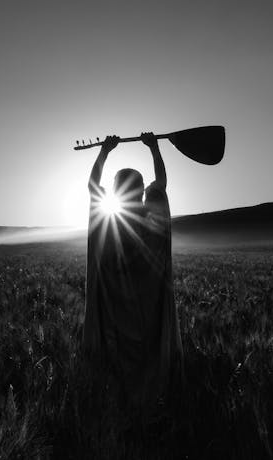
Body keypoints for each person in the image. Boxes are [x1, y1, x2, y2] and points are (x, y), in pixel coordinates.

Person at [82, 132, 183, 412]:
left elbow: (92, 187)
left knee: (116, 362)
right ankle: (150, 405)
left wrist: (104, 151)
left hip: (114, 310)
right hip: (148, 310)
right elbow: (161, 185)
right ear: (140, 191)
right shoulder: (153, 220)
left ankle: (120, 406)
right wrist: (154, 148)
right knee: (147, 358)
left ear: (115, 192)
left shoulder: (106, 221)